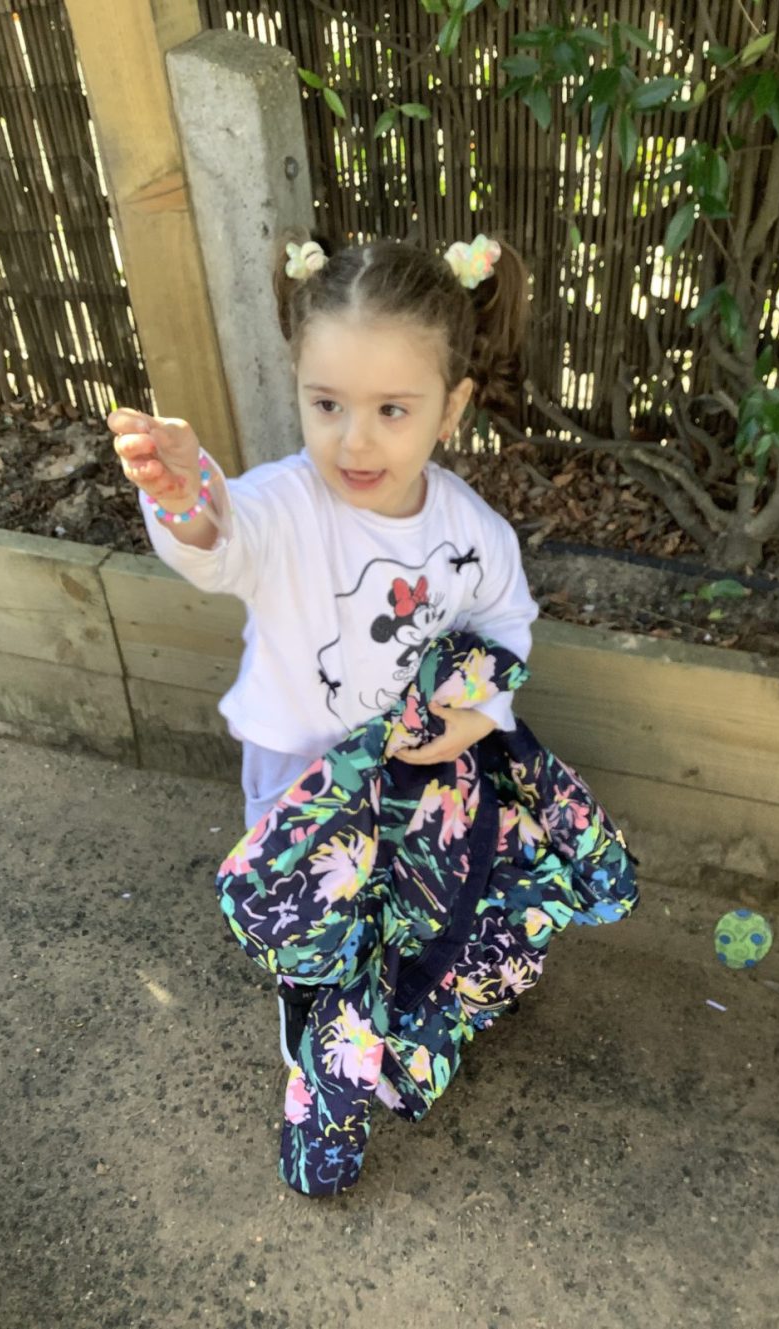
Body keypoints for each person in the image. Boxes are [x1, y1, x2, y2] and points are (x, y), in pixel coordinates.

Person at [108, 231, 540, 1063]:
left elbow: (504, 624)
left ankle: (392, 989)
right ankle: (307, 994)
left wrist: (478, 716)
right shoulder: (285, 504)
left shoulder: (472, 532)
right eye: (327, 404)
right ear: (299, 389)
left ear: (452, 405)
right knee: (309, 908)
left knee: (394, 894)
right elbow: (222, 540)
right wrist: (184, 496)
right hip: (299, 771)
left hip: (414, 767)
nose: (353, 442)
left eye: (392, 410)